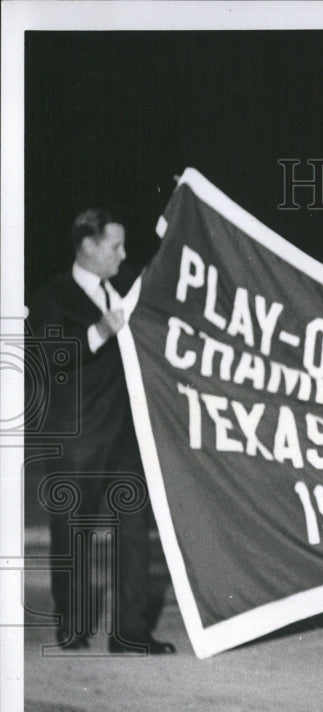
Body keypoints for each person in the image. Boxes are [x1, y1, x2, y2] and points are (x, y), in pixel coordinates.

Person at [28, 208, 175, 654]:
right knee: (74, 533)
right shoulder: (53, 295)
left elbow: (163, 282)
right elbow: (45, 355)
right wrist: (97, 332)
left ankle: (130, 631)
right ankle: (72, 628)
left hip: (128, 438)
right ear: (88, 246)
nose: (123, 254)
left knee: (133, 534)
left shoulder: (127, 286)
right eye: (116, 246)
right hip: (78, 440)